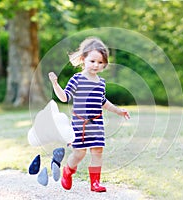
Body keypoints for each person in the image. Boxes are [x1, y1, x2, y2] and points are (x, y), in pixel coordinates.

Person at [48, 37, 130, 192]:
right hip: (80, 125)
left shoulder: (101, 82)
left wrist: (119, 110)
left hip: (96, 123)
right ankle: (68, 171)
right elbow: (65, 97)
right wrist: (55, 84)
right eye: (92, 61)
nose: (96, 65)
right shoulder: (77, 79)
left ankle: (95, 183)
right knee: (79, 154)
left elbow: (103, 101)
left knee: (98, 151)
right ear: (83, 59)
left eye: (100, 62)